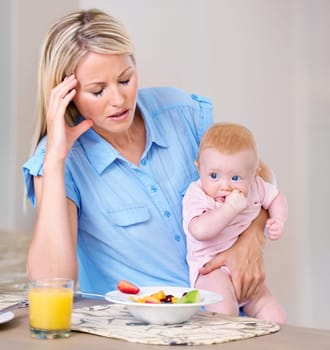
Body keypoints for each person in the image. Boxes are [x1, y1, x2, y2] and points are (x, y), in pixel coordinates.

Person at [23, 8, 269, 302]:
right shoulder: (60, 162)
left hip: (227, 317)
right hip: (139, 334)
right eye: (98, 90)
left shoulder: (181, 112)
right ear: (66, 94)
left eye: (125, 80)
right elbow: (51, 283)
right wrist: (54, 161)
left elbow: (258, 174)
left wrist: (251, 240)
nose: (118, 100)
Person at [182, 122, 287, 323]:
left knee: (276, 315)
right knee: (225, 312)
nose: (225, 186)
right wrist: (229, 210)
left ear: (254, 173)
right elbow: (200, 230)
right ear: (199, 168)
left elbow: (276, 198)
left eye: (236, 177)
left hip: (245, 270)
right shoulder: (197, 194)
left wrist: (278, 219)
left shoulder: (256, 186)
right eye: (214, 176)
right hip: (210, 269)